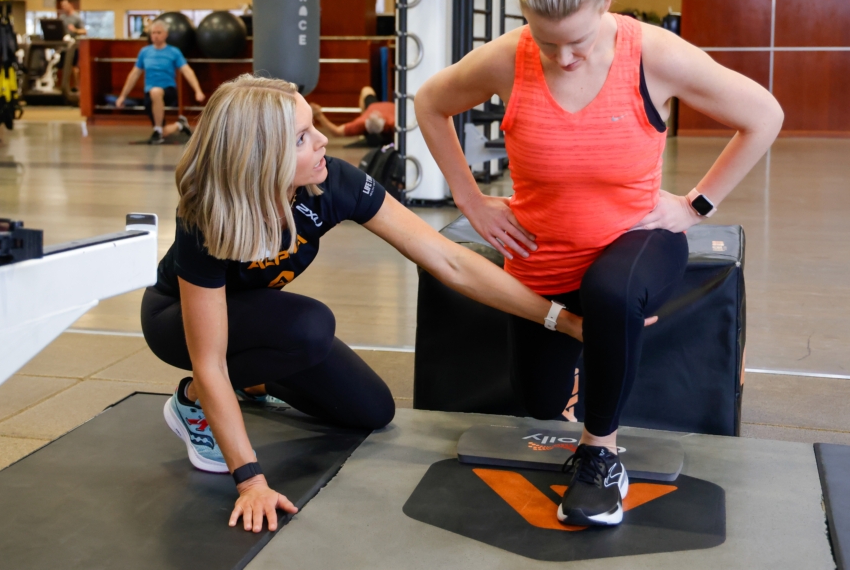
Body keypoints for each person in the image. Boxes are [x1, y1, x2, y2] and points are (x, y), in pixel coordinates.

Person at [415, 0, 783, 528]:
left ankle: (601, 456)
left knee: (612, 292)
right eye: (546, 40)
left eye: (578, 41)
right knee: (536, 407)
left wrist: (695, 206)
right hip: (542, 252)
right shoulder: (510, 57)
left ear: (607, 3)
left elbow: (763, 115)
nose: (563, 58)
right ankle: (585, 405)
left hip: (636, 241)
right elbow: (430, 103)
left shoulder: (652, 53)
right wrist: (469, 198)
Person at [140, 74, 590, 534]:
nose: (321, 142)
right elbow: (210, 359)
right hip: (177, 323)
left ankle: (252, 382)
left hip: (262, 322)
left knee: (372, 411)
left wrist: (559, 318)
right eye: (301, 137)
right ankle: (191, 403)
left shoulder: (332, 183)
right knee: (309, 325)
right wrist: (250, 480)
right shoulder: (208, 214)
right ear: (260, 157)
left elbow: (448, 259)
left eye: (313, 126)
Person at [116, 19, 206, 144]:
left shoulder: (174, 52)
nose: (155, 35)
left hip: (168, 91)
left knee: (156, 91)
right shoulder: (145, 52)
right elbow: (134, 74)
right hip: (149, 94)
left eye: (159, 32)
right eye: (153, 33)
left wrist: (198, 91)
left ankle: (158, 129)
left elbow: (187, 71)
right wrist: (122, 96)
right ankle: (179, 125)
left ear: (166, 34)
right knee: (163, 130)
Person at [311, 86, 395, 144]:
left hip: (389, 109)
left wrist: (319, 115)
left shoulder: (393, 122)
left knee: (366, 89)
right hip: (374, 107)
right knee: (366, 89)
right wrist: (319, 115)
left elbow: (336, 131)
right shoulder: (362, 122)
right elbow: (336, 131)